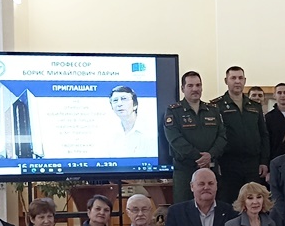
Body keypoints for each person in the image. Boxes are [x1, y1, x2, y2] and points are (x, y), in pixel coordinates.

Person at [164, 70, 227, 204]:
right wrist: (199, 157)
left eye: (198, 85)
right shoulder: (173, 111)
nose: (195, 89)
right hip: (185, 170)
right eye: (190, 86)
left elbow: (222, 137)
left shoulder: (213, 110)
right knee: (184, 209)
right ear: (183, 89)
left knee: (212, 208)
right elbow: (175, 139)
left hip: (210, 168)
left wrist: (210, 155)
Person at [212, 66, 269, 204]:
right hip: (228, 163)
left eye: (240, 78)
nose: (237, 81)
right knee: (230, 202)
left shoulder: (255, 106)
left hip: (252, 164)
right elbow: (213, 136)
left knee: (253, 201)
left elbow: (263, 135)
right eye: (233, 78)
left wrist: (264, 161)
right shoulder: (216, 106)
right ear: (226, 81)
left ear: (245, 80)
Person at [107, 85, 156, 157]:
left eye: (124, 99)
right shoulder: (110, 135)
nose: (119, 104)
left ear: (135, 105)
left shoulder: (151, 132)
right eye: (115, 100)